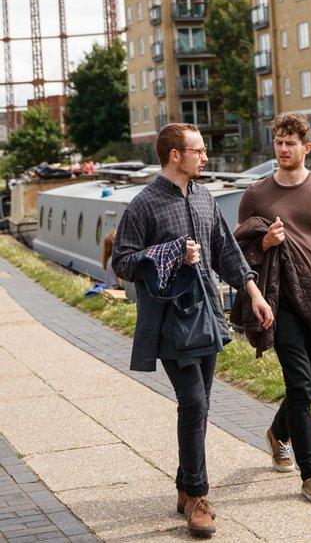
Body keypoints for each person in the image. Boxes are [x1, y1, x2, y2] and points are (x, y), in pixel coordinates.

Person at [112, 123, 274, 537]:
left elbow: (227, 252)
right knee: (194, 402)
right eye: (198, 151)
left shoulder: (204, 198)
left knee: (201, 405)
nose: (205, 157)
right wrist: (168, 253)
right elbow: (124, 263)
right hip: (169, 322)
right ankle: (199, 497)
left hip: (208, 317)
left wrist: (254, 293)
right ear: (174, 156)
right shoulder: (143, 205)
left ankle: (186, 483)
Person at [236, 113, 311, 503]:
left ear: (307, 147)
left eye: (291, 143)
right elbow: (240, 249)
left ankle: (277, 432)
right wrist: (265, 243)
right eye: (278, 142)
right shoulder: (255, 194)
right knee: (300, 386)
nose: (283, 149)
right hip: (278, 299)